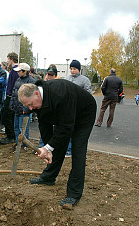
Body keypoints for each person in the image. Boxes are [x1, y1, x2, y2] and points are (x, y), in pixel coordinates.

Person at [18, 80, 96, 208]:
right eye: (28, 106)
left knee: (78, 151)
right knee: (58, 145)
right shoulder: (38, 102)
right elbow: (44, 124)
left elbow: (66, 127)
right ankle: (49, 177)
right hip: (65, 116)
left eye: (31, 104)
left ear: (37, 94)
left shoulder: (61, 95)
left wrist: (48, 147)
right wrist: (48, 148)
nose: (31, 108)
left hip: (84, 114)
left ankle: (74, 194)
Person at [64, 59, 93, 156]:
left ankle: (74, 150)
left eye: (74, 69)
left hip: (78, 109)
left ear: (79, 69)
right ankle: (67, 149)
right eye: (71, 68)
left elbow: (88, 95)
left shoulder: (85, 80)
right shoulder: (67, 79)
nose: (72, 71)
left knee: (76, 130)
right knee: (67, 129)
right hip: (68, 108)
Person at [9, 63, 35, 150]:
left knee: (23, 128)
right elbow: (14, 93)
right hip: (17, 108)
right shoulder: (18, 80)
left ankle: (24, 144)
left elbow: (32, 97)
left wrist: (26, 108)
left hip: (24, 109)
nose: (18, 73)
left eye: (19, 71)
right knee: (16, 127)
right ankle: (18, 143)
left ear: (25, 71)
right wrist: (12, 104)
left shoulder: (31, 81)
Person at [0, 52, 19, 145]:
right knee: (9, 116)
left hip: (10, 96)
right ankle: (11, 135)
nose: (7, 61)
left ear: (11, 59)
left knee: (7, 116)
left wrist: (9, 95)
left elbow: (12, 84)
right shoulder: (16, 70)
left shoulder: (15, 71)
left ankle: (10, 136)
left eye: (8, 59)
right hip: (12, 96)